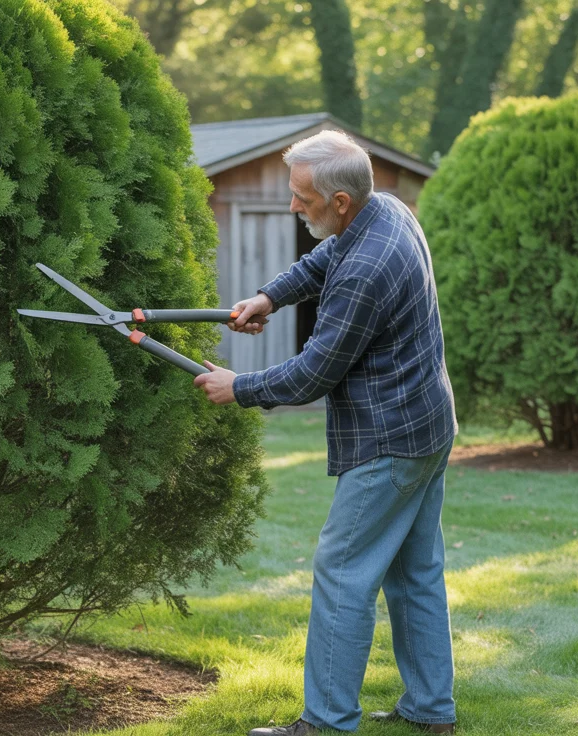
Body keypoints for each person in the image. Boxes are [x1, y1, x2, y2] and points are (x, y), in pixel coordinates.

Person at [193, 130, 459, 735]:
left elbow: (314, 372)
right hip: (427, 423)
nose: (292, 207)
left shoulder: (368, 268)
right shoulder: (384, 208)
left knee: (343, 571)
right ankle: (430, 710)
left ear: (341, 201)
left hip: (390, 439)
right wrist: (270, 296)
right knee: (415, 572)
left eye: (302, 198)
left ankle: (326, 721)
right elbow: (322, 258)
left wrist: (241, 388)